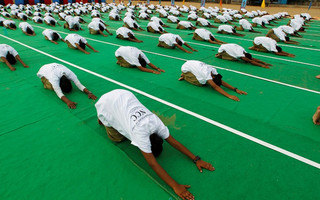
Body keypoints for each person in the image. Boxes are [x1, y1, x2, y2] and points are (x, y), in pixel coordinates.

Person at [95, 89, 215, 200]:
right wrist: (175, 185)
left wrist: (196, 159)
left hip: (125, 94)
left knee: (121, 122)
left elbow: (174, 143)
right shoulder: (141, 134)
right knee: (117, 138)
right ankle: (101, 117)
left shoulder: (156, 123)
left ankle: (103, 117)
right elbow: (152, 163)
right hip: (106, 103)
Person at [178, 60, 247, 101]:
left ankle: (187, 74)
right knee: (201, 83)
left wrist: (235, 89)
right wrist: (229, 95)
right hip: (186, 67)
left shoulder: (213, 71)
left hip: (192, 64)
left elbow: (221, 82)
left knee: (204, 80)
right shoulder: (206, 74)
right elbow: (215, 86)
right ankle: (185, 76)